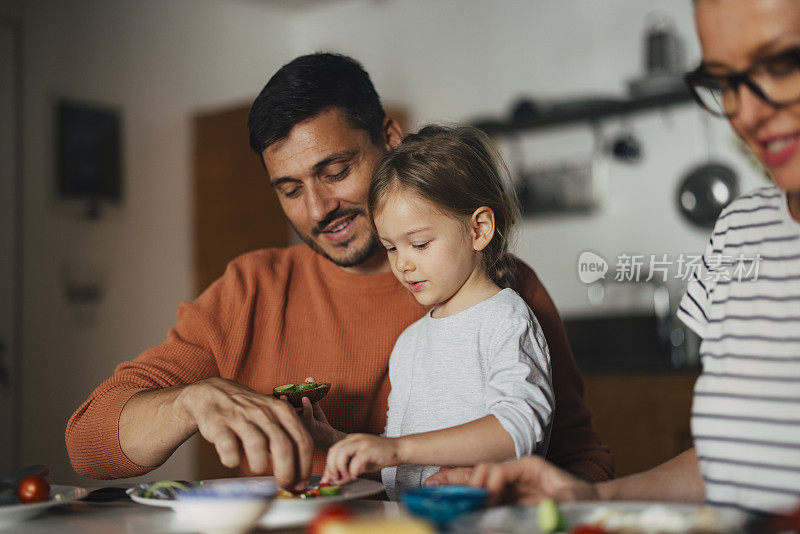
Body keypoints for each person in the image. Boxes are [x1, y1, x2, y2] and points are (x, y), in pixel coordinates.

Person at [65, 53, 613, 491]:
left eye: (336, 171)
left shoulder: (502, 288)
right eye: (291, 189)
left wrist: (527, 501)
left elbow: (579, 457)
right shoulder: (250, 290)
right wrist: (191, 400)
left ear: (391, 140)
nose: (318, 209)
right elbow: (88, 442)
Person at [428, 0, 800, 515]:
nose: (750, 112)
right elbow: (738, 465)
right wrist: (591, 496)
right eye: (724, 81)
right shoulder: (739, 232)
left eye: (782, 64)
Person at [314, 125, 553, 500]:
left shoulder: (505, 319)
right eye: (391, 248)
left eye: (419, 243)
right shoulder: (409, 343)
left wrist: (400, 448)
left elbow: (517, 429)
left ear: (479, 229)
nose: (403, 264)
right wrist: (342, 443)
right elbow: (400, 458)